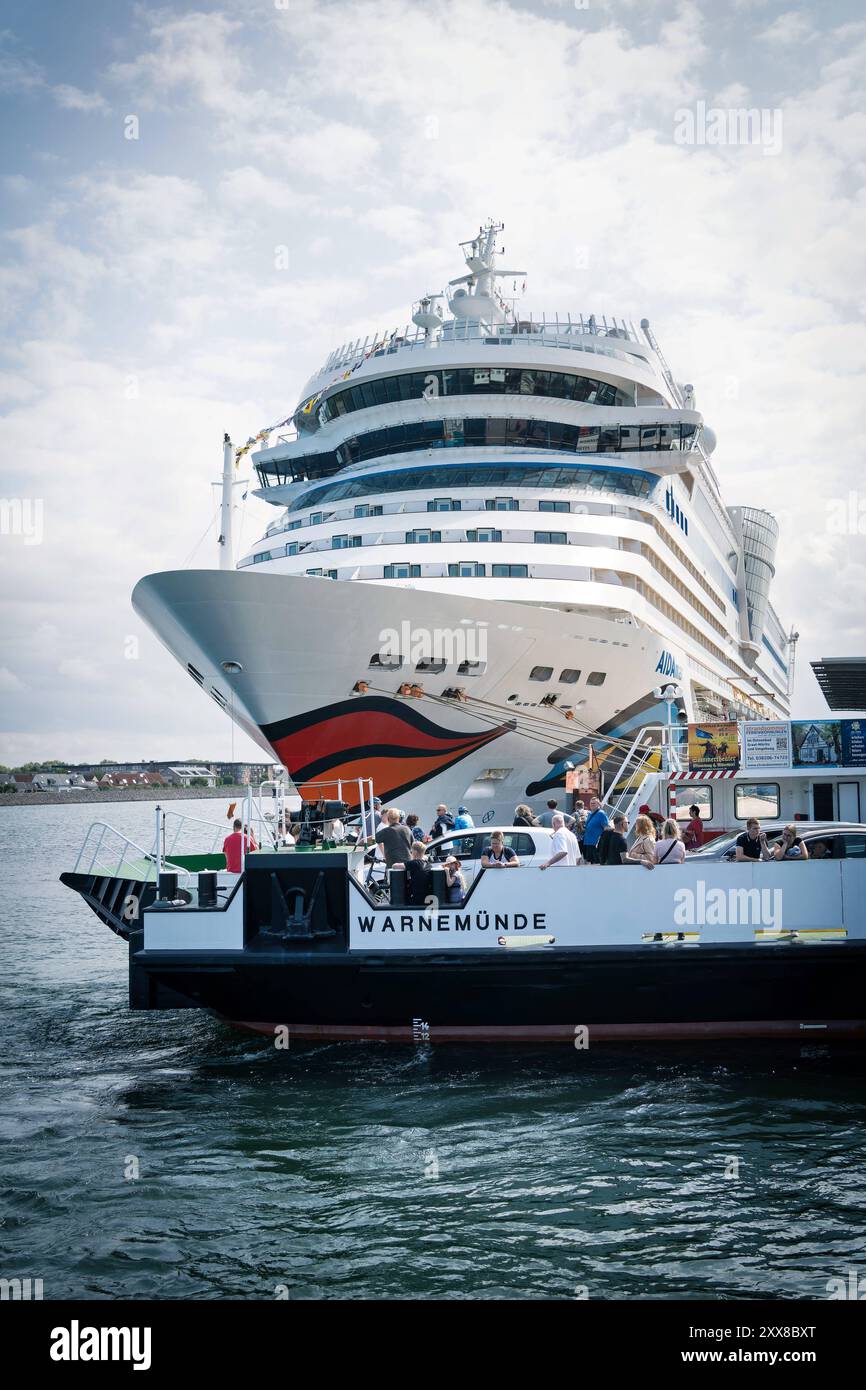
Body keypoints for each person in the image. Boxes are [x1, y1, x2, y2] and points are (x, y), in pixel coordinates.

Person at [581, 797, 609, 864]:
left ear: (598, 804)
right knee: (589, 863)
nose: (592, 804)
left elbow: (606, 828)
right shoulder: (590, 814)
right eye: (591, 803)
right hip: (588, 843)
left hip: (596, 844)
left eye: (594, 803)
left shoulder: (601, 814)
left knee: (596, 863)